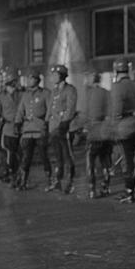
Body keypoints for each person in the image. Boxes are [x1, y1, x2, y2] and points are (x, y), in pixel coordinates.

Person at [110, 58, 135, 203]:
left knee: (126, 160)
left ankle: (129, 191)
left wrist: (113, 126)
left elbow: (116, 110)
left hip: (123, 127)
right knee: (130, 158)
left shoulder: (117, 87)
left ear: (115, 70)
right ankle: (131, 189)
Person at [14, 68, 51, 191]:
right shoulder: (25, 95)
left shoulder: (45, 93)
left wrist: (46, 122)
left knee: (43, 156)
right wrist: (17, 123)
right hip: (27, 130)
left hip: (40, 129)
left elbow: (49, 109)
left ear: (37, 80)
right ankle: (23, 181)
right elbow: (20, 111)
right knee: (26, 157)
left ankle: (49, 180)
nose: (29, 80)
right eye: (29, 78)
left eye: (31, 78)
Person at [46, 64, 77, 193]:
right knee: (57, 156)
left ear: (61, 76)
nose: (52, 77)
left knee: (67, 155)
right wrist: (46, 122)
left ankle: (70, 182)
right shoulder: (54, 90)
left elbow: (70, 108)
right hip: (53, 128)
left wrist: (65, 123)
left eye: (55, 75)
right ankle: (57, 180)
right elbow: (51, 109)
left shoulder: (70, 90)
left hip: (64, 127)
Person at [82, 72, 113, 199]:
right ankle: (105, 186)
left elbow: (85, 113)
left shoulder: (88, 94)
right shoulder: (106, 93)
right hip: (105, 131)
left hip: (93, 132)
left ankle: (92, 189)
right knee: (106, 161)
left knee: (90, 161)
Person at [0, 68, 20, 184]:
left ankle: (15, 172)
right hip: (7, 128)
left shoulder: (21, 94)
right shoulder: (0, 97)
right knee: (6, 151)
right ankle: (8, 172)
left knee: (17, 153)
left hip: (20, 127)